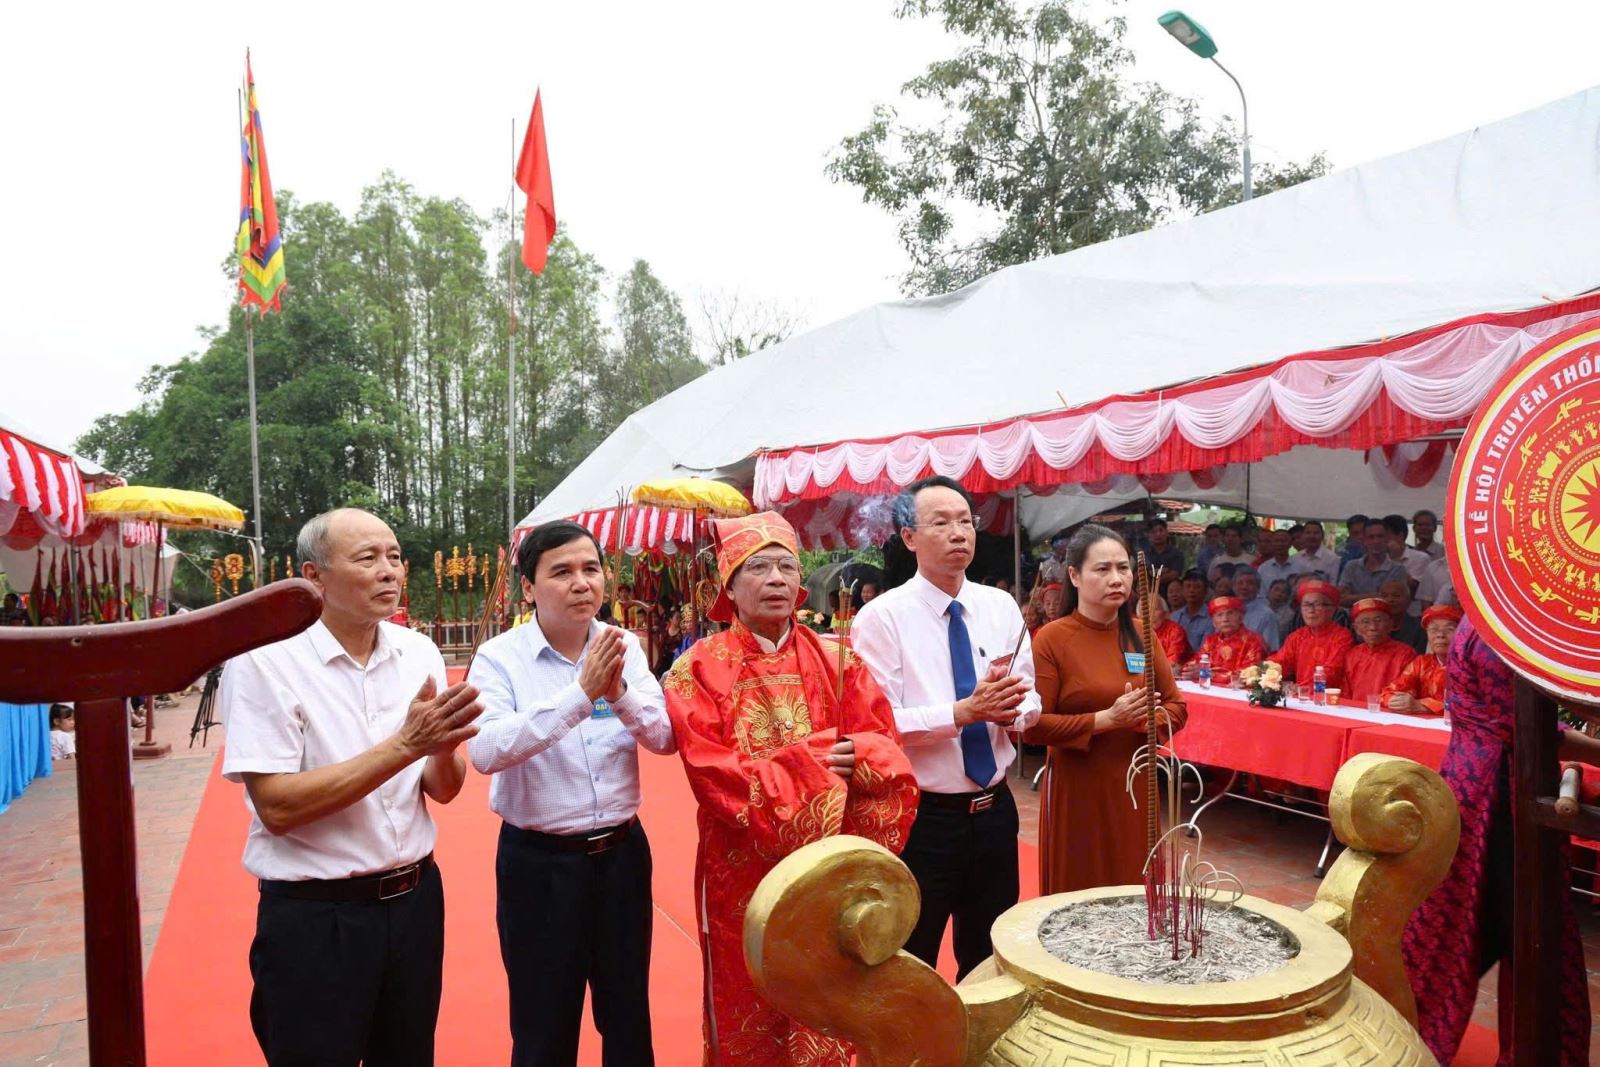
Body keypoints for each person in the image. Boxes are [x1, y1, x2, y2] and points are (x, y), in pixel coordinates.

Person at [219, 508, 483, 1067]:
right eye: (367, 558)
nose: (389, 570)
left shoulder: (418, 652)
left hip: (415, 903)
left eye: (395, 557)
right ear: (314, 576)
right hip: (317, 919)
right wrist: (406, 745)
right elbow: (277, 807)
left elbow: (443, 789)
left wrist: (441, 747)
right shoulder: (264, 662)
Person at [663, 512, 918, 1065]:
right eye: (758, 567)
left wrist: (859, 757)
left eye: (786, 565)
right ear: (730, 586)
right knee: (747, 994)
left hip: (829, 868)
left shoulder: (840, 660)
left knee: (830, 996)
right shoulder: (698, 669)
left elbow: (884, 743)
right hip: (741, 868)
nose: (776, 577)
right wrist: (813, 766)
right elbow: (713, 775)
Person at [467, 521, 673, 1067]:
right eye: (561, 572)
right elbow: (485, 750)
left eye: (591, 569)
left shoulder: (623, 646)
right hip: (539, 867)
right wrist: (579, 696)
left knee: (628, 1018)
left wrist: (618, 692)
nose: (582, 583)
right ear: (528, 587)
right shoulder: (499, 658)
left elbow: (664, 737)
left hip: (622, 858)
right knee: (543, 1026)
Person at [852, 475, 1039, 980]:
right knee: (910, 960)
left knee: (990, 960)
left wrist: (1011, 712)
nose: (959, 533)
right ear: (909, 537)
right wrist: (961, 713)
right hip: (923, 818)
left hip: (994, 811)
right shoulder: (881, 618)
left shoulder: (1000, 607)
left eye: (965, 521)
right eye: (941, 522)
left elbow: (1031, 698)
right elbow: (879, 723)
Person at [1402, 618, 1596, 1063]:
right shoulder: (1497, 631)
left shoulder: (1494, 620)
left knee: (1473, 929)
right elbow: (1524, 728)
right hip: (1495, 795)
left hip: (1485, 782)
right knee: (1528, 931)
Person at [1024, 524, 1185, 893]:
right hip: (1078, 787)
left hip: (1135, 785)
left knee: (1134, 884)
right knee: (1080, 886)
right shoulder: (1052, 639)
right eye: (1102, 569)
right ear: (1074, 576)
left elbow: (1177, 707)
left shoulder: (1142, 634)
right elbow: (1032, 727)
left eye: (1123, 568)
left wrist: (1147, 720)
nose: (1117, 579)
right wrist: (1105, 720)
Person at [1267, 580, 1354, 689]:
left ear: (1332, 609)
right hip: (1301, 694)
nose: (1311, 610)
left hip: (1331, 696)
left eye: (1317, 605)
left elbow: (1333, 671)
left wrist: (1304, 687)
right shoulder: (1297, 636)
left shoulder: (1342, 636)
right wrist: (1259, 672)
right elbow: (1281, 662)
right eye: (1306, 605)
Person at [1380, 606, 1461, 714]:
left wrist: (1424, 706)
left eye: (1449, 629)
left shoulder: (1471, 666)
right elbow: (1389, 692)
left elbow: (1472, 705)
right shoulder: (1422, 663)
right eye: (1433, 630)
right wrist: (1394, 701)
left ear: (1463, 634)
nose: (1440, 635)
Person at [1339, 598, 1416, 704]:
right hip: (1356, 711)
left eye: (1378, 620)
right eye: (1365, 621)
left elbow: (1405, 693)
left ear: (1391, 624)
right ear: (1356, 628)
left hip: (1389, 711)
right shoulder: (1352, 655)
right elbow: (1345, 693)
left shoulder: (1405, 654)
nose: (1373, 627)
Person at [1191, 596, 1266, 683]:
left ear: (1241, 618)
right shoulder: (1211, 640)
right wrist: (1188, 670)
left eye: (1230, 613)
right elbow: (1196, 662)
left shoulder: (1254, 641)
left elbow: (1247, 675)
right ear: (1214, 622)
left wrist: (1208, 674)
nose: (1225, 619)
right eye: (1219, 615)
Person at [1337, 519, 1406, 606]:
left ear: (1387, 539)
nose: (1376, 541)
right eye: (1371, 537)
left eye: (1380, 536)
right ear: (1364, 540)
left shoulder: (1397, 569)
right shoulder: (1351, 567)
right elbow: (1341, 599)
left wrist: (1353, 597)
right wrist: (1377, 596)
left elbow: (1396, 602)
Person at [1228, 565, 1281, 651]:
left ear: (1258, 588)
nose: (1244, 587)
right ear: (1233, 587)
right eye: (1240, 583)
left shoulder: (1267, 615)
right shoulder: (1226, 611)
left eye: (1250, 583)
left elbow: (1271, 648)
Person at [1139, 593, 1191, 669]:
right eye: (1146, 610)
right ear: (1139, 615)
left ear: (1164, 613)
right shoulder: (1136, 631)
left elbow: (1172, 662)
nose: (1151, 614)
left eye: (1155, 609)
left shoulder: (1175, 631)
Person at [1255, 529, 1308, 594]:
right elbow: (1260, 593)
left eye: (1283, 541)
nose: (1280, 544)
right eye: (1276, 541)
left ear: (1290, 544)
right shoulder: (1263, 568)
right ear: (1272, 543)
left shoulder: (1301, 566)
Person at [1171, 569, 1214, 649]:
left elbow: (1206, 649)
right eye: (1188, 586)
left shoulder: (1212, 617)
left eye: (1197, 587)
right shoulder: (1174, 617)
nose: (1192, 590)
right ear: (1182, 590)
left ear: (1206, 591)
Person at [1382, 578, 1426, 652]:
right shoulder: (1373, 627)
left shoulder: (1419, 628)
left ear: (1408, 600)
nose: (1390, 600)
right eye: (1385, 596)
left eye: (1396, 596)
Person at [1294, 520, 1343, 585]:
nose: (1312, 536)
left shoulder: (1332, 558)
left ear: (1322, 536)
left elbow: (1333, 584)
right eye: (1308, 533)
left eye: (1316, 533)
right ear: (1303, 535)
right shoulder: (1296, 558)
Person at [1141, 517, 1185, 583]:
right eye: (1153, 532)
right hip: (1148, 588)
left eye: (1161, 530)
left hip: (1170, 588)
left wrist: (1154, 578)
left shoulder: (1176, 553)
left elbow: (1175, 574)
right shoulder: (1144, 555)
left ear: (1167, 532)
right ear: (1149, 535)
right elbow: (1142, 574)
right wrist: (1164, 571)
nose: (1158, 534)